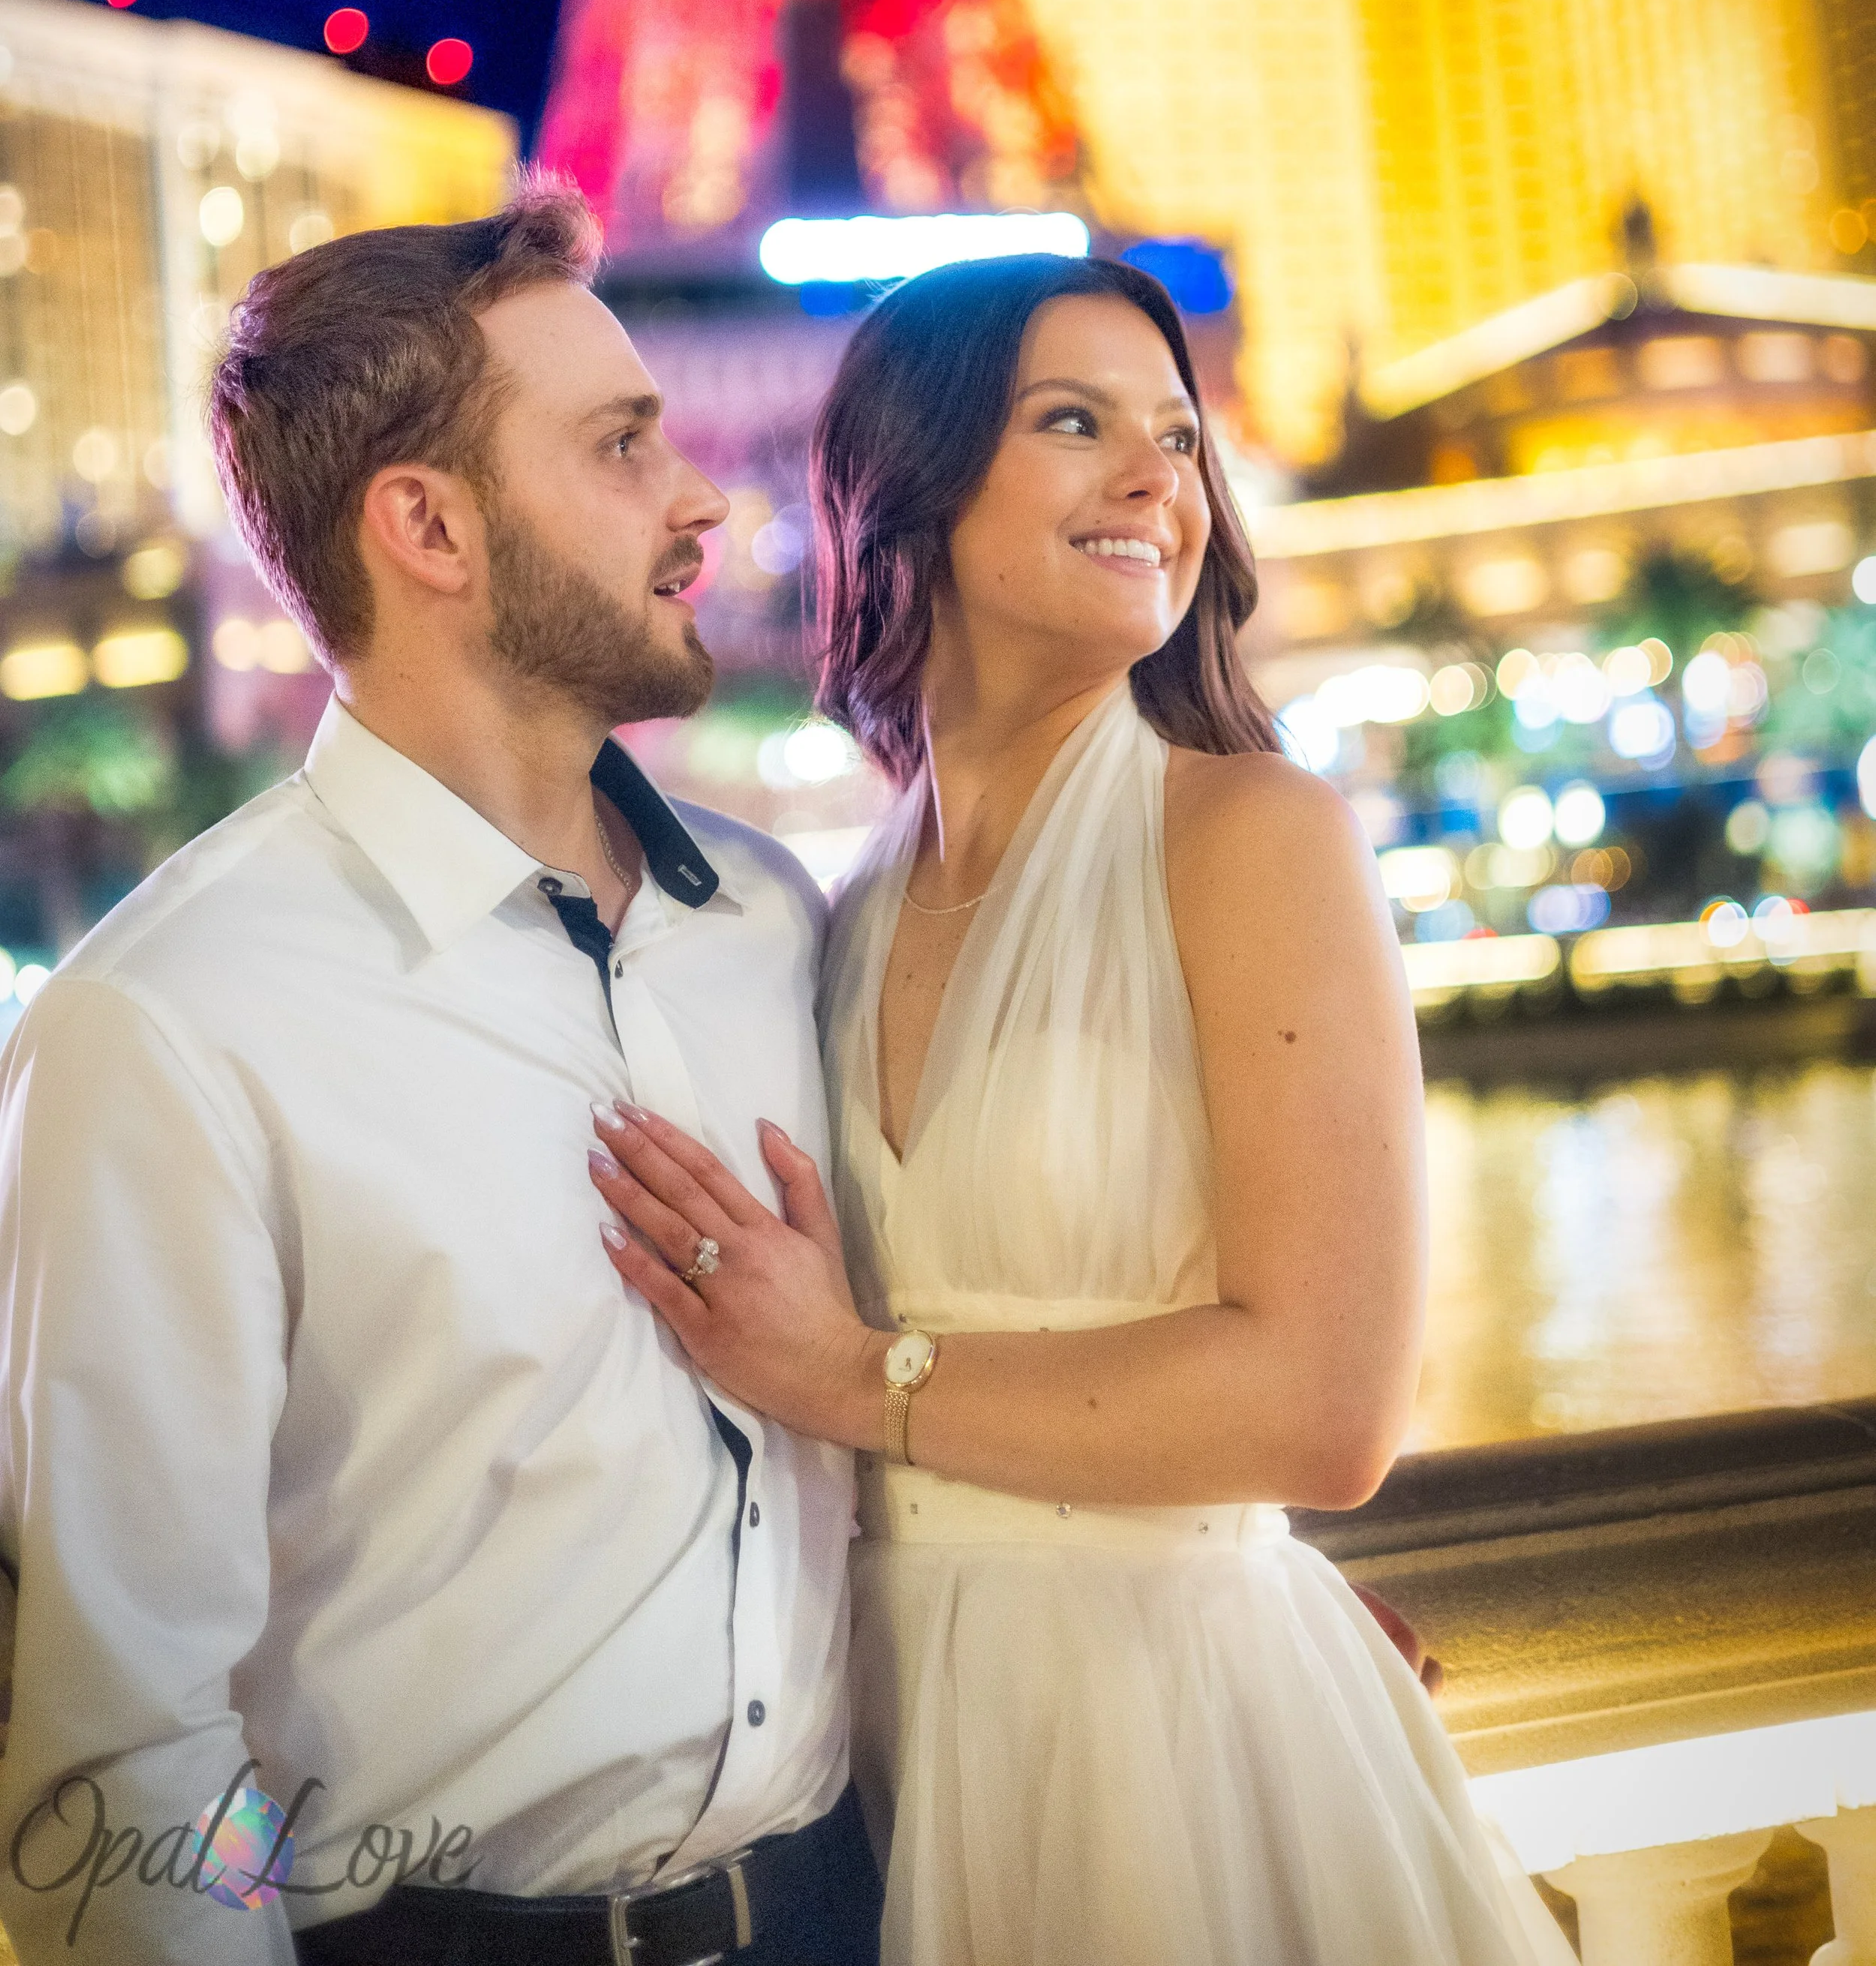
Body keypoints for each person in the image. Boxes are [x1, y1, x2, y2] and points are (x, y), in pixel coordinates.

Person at [587, 252, 1575, 1966]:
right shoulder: (842, 905)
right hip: (892, 1748)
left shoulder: (1249, 832)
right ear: (909, 481)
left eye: (1176, 439)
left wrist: (841, 1373)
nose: (1154, 478)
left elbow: (1328, 1408)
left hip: (1174, 1742)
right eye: (1073, 423)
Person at [0, 189, 881, 1966]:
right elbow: (128, 1736)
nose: (700, 500)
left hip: (852, 1908)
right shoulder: (169, 1023)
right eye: (625, 448)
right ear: (428, 525)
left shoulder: (775, 923)